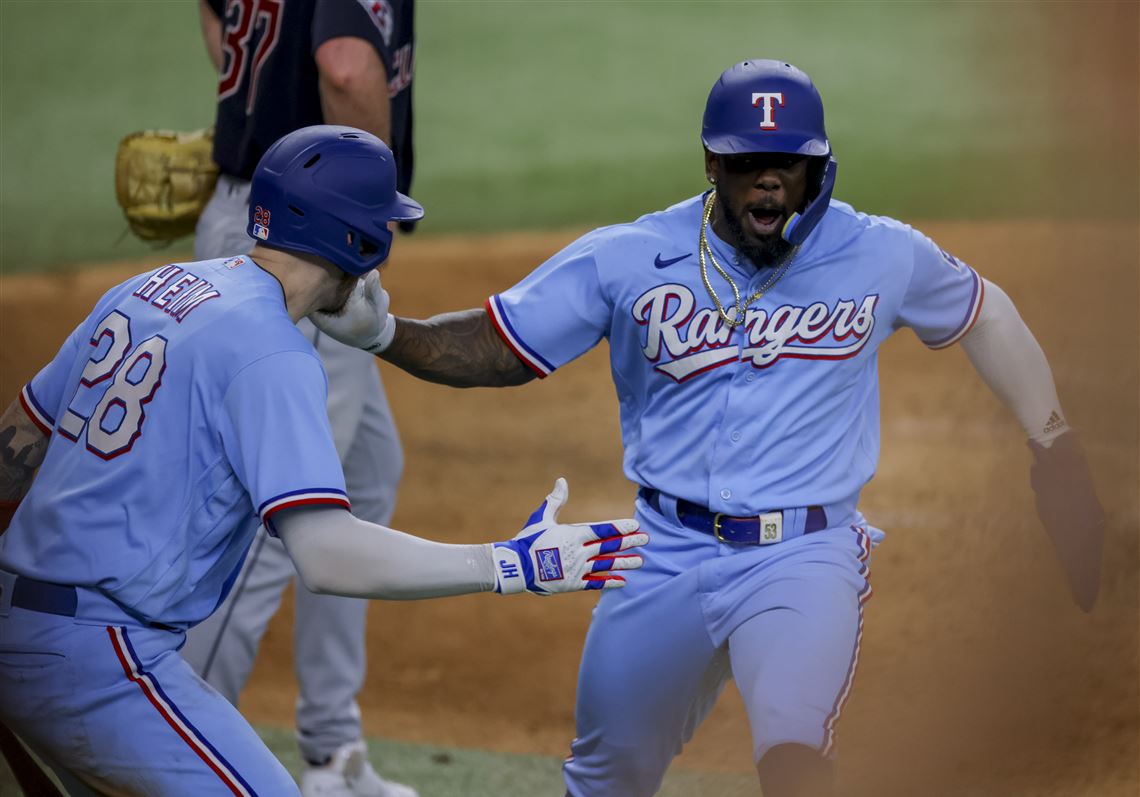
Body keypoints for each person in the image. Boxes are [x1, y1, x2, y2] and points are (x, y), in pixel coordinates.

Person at [309, 60, 1106, 797]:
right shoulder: (630, 257)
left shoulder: (877, 253)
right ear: (711, 167)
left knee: (795, 755)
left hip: (806, 555)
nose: (769, 179)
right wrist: (386, 335)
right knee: (605, 774)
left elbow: (982, 311)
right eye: (746, 162)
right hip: (660, 552)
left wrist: (1055, 444)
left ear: (816, 169)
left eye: (788, 163)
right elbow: (499, 345)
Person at [0, 125, 647, 797]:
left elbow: (14, 448)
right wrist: (508, 563)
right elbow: (328, 555)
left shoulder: (147, 289)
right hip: (95, 660)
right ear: (360, 243)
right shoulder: (273, 352)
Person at [186, 2, 419, 794]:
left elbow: (223, 21)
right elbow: (347, 66)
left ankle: (331, 751)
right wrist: (366, 192)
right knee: (271, 520)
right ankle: (166, 750)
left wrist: (251, 116)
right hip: (309, 234)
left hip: (263, 198)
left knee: (366, 470)